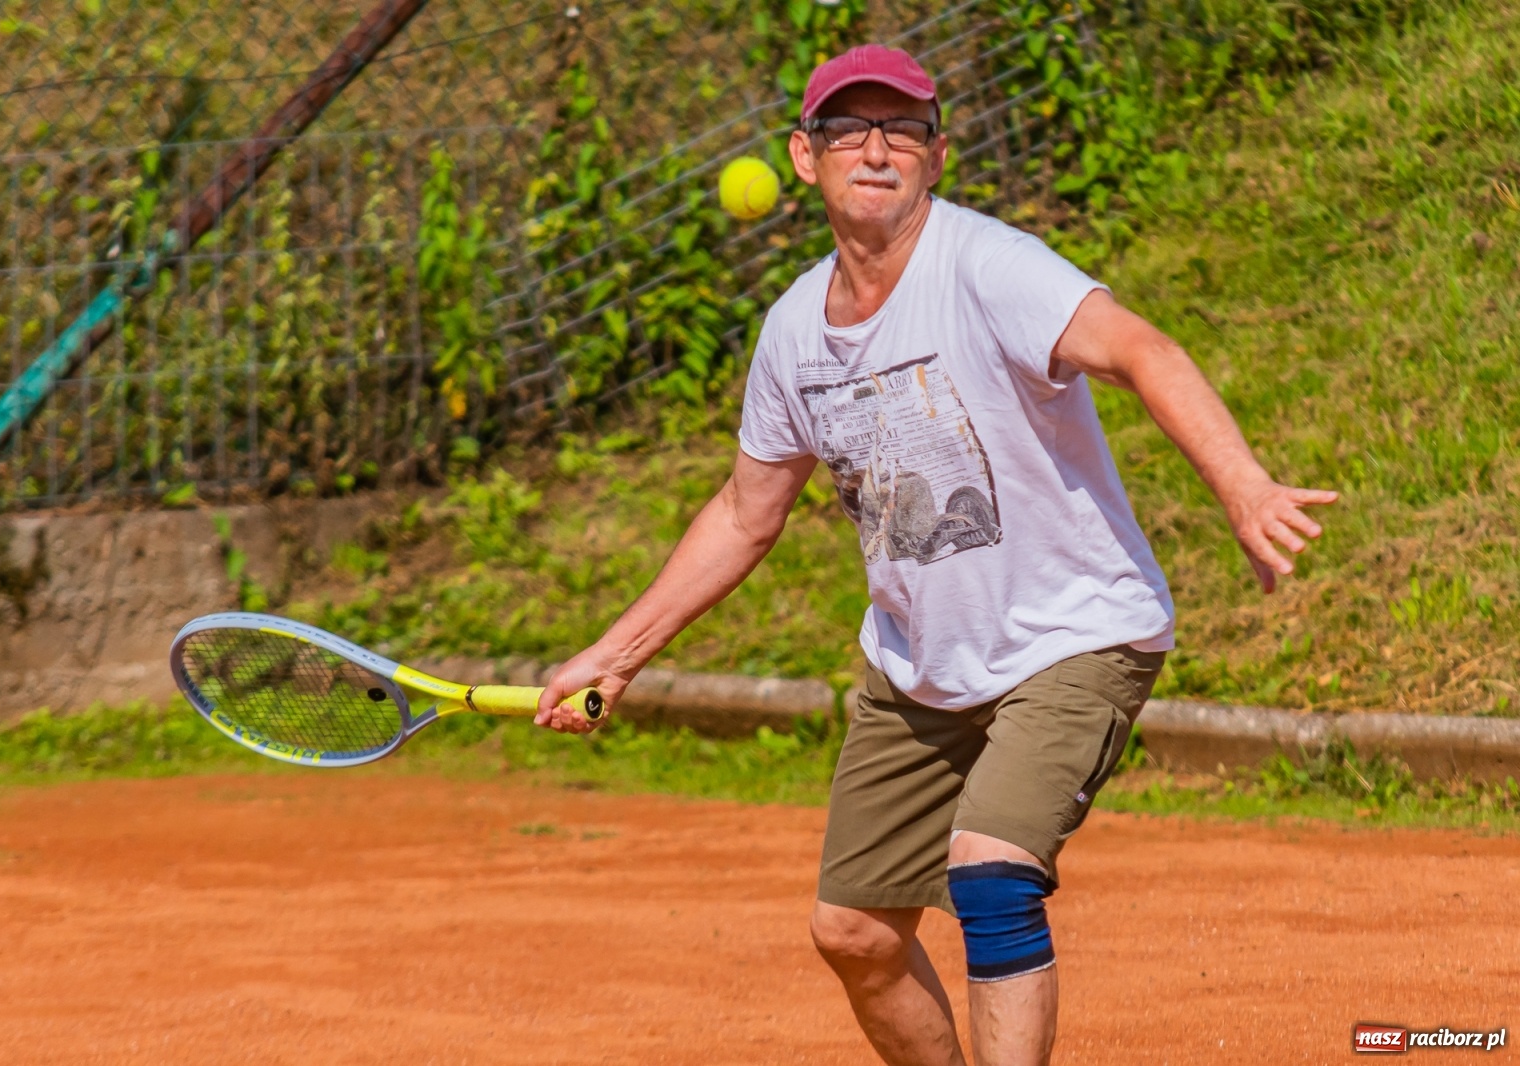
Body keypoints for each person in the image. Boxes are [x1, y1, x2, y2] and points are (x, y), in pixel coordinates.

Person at [536, 43, 1337, 1066]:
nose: (875, 148)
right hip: (920, 667)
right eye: (847, 130)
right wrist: (618, 652)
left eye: (901, 128)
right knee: (855, 933)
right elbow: (746, 512)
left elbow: (1144, 349)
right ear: (804, 156)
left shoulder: (985, 267)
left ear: (937, 155)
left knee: (991, 873)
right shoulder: (791, 333)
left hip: (1072, 634)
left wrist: (1244, 487)